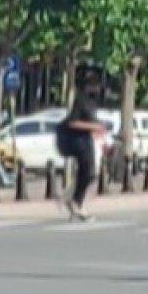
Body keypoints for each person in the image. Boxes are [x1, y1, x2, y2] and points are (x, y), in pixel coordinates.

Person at [56, 90, 105, 221]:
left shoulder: (90, 102)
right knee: (88, 172)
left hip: (85, 142)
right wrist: (94, 126)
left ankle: (70, 200)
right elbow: (73, 122)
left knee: (88, 173)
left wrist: (96, 129)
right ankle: (75, 202)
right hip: (78, 142)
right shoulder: (81, 101)